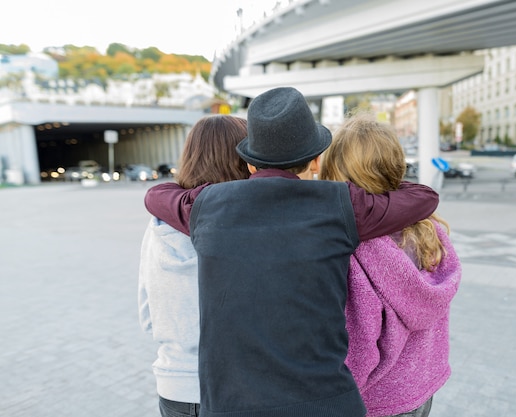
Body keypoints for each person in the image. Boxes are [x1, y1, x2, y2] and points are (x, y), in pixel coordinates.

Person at [143, 86, 440, 417]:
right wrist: (357, 182)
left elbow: (156, 195)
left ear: (251, 164)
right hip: (325, 403)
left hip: (232, 405)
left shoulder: (208, 206)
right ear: (314, 161)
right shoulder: (340, 205)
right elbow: (424, 197)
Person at [320, 112, 462, 417]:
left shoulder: (354, 246)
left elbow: (358, 344)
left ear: (335, 170)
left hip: (374, 402)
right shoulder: (429, 229)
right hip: (421, 390)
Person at [138, 115, 249, 417]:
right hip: (241, 387)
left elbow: (147, 316)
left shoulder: (158, 224)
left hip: (174, 386)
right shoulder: (253, 223)